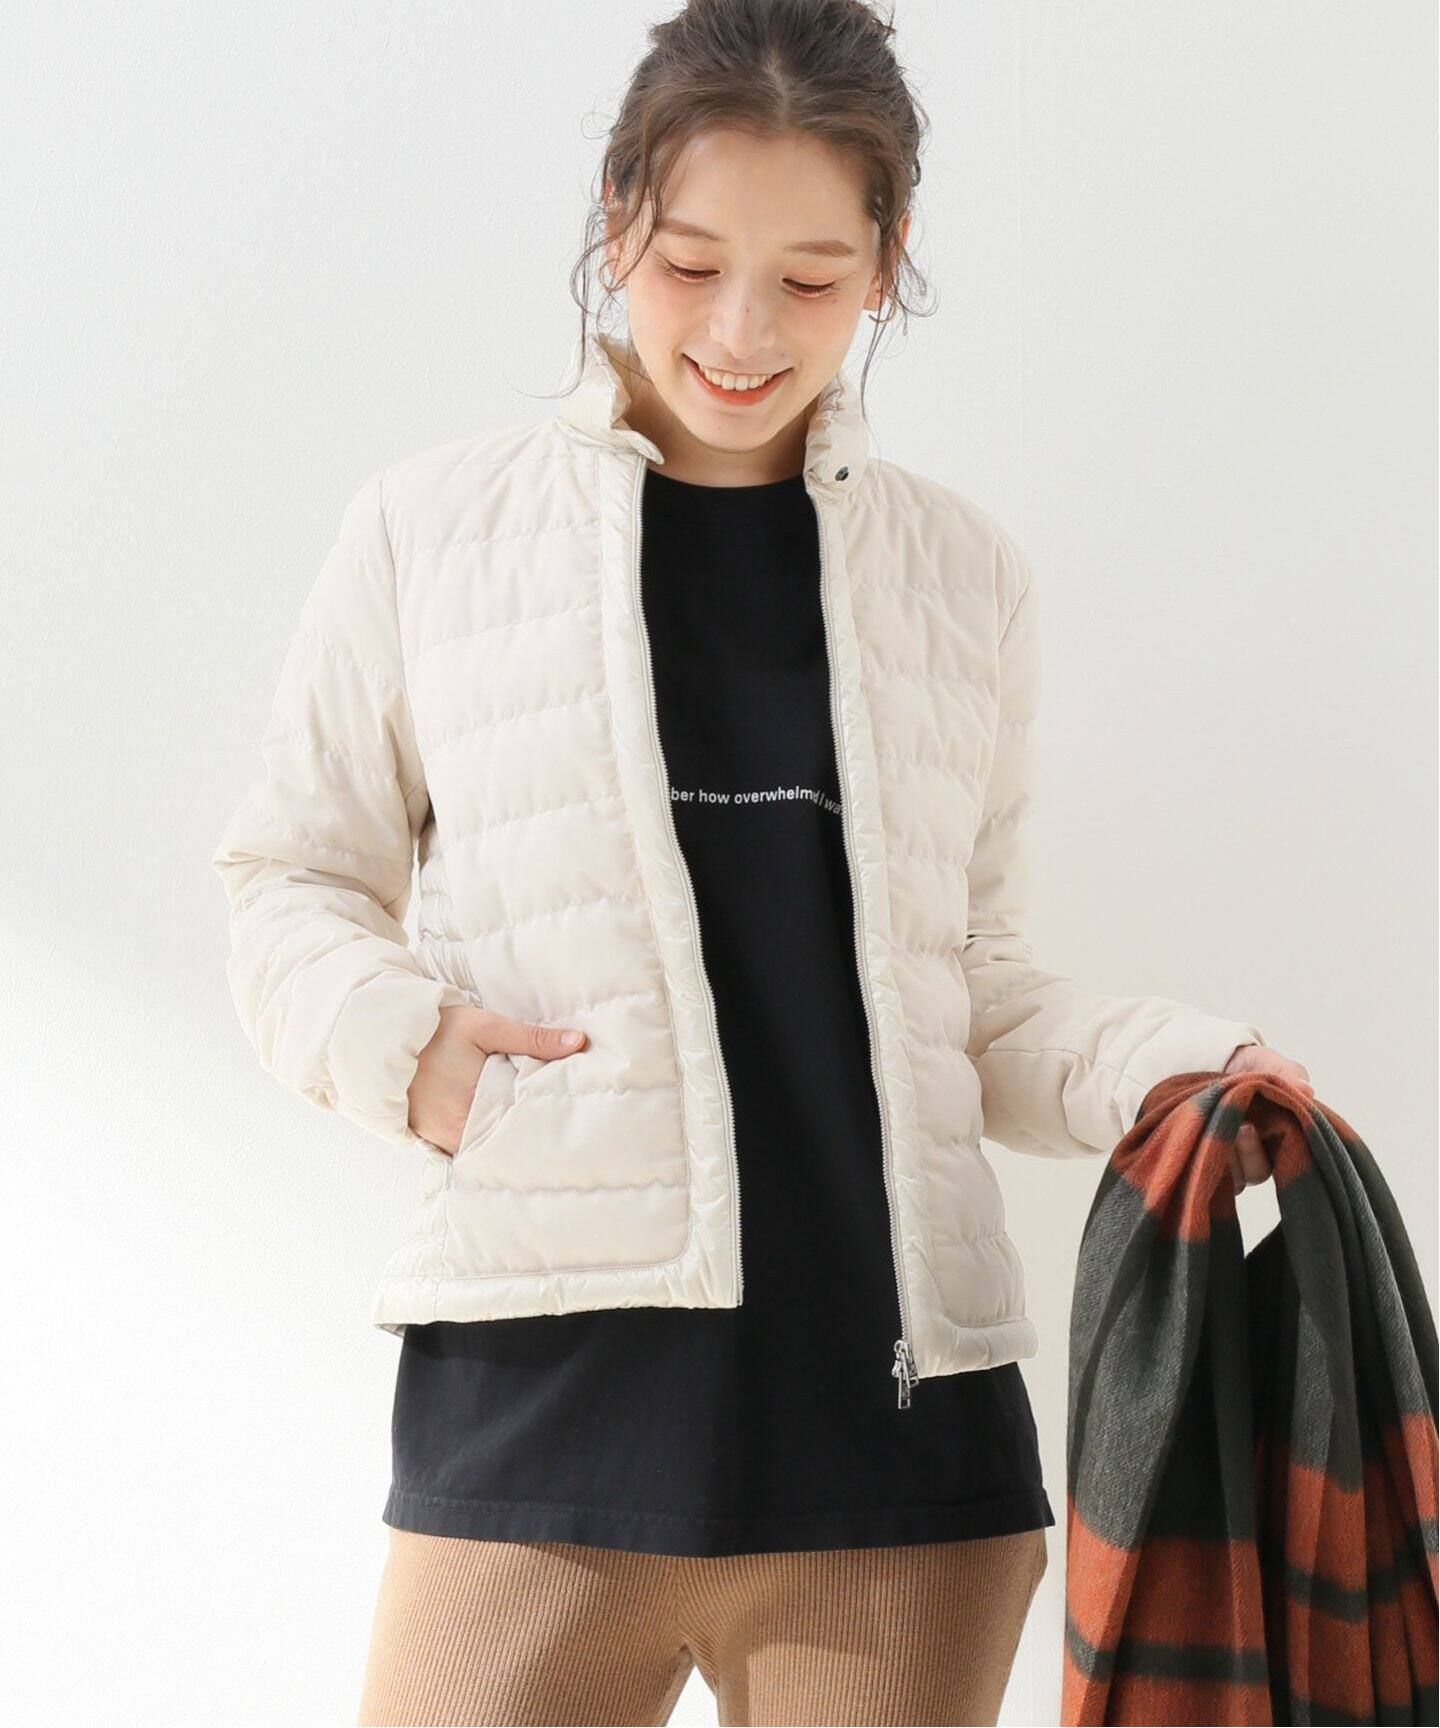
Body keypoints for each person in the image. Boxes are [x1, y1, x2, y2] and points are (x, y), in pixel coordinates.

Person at [211, 2, 1312, 1722]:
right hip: (537, 1422)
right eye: (690, 262)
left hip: (896, 1462)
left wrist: (1177, 1066)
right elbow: (289, 879)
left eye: (808, 278)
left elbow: (975, 988)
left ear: (888, 261)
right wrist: (406, 1051)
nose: (740, 330)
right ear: (614, 222)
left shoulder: (964, 577)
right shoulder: (430, 533)